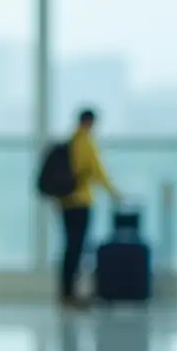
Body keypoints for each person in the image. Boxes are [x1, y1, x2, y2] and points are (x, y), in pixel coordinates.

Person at [59, 108, 121, 309]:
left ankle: (66, 292)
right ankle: (74, 293)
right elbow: (98, 172)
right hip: (81, 202)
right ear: (90, 123)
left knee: (70, 247)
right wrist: (115, 193)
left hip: (65, 203)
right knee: (77, 248)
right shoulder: (86, 143)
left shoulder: (70, 142)